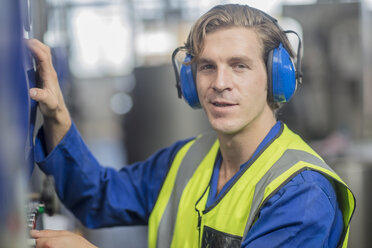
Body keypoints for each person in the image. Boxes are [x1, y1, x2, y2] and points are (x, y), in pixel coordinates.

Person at [28, 4, 355, 248]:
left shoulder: (303, 193)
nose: (220, 83)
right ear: (189, 80)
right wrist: (57, 115)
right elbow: (97, 196)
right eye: (207, 67)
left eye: (239, 66)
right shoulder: (185, 160)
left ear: (276, 78)